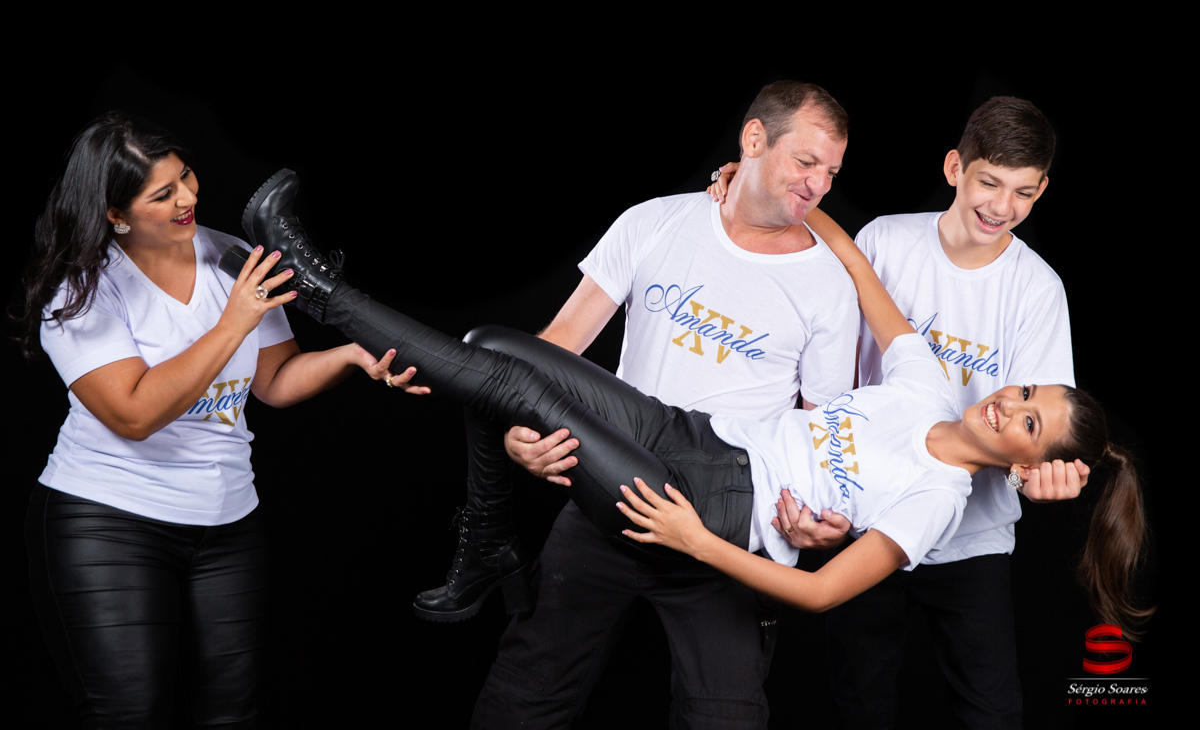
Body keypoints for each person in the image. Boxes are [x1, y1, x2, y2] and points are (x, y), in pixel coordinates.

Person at [222, 169, 1149, 694]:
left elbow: (823, 593)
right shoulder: (929, 387)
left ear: (1028, 459)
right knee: (495, 347)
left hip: (708, 503)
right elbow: (867, 278)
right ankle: (491, 536)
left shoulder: (939, 499)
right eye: (1027, 390)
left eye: (1029, 420)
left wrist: (700, 540)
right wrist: (790, 196)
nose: (1009, 403)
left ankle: (319, 290)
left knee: (503, 382)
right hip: (696, 433)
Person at [455, 81, 862, 727]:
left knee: (724, 717)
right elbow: (556, 348)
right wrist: (518, 432)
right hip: (605, 494)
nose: (818, 184)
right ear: (754, 139)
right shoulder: (654, 222)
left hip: (725, 528)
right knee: (523, 696)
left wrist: (822, 516)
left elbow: (823, 432)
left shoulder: (830, 287)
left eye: (832, 172)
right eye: (806, 162)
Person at [707, 96, 1098, 728]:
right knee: (859, 701)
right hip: (863, 514)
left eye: (1024, 193)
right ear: (955, 168)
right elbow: (832, 355)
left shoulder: (1038, 291)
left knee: (992, 709)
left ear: (1043, 190)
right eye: (989, 183)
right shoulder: (887, 240)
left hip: (971, 540)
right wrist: (752, 182)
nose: (1002, 207)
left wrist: (1041, 479)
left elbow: (1045, 431)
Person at [14, 114, 412, 728]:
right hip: (109, 520)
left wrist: (353, 357)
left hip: (227, 524)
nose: (187, 198)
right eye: (162, 194)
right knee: (130, 715)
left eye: (186, 176)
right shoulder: (83, 287)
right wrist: (233, 321)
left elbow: (274, 381)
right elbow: (134, 414)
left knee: (230, 716)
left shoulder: (231, 257)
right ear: (116, 214)